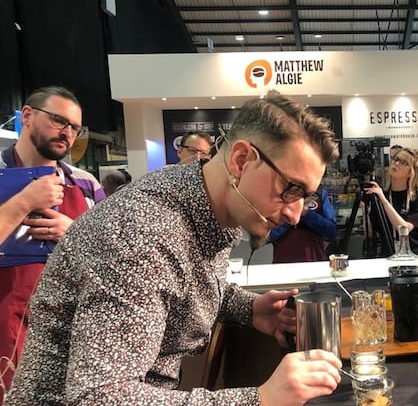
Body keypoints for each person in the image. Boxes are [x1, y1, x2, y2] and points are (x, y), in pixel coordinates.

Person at [6, 92, 343, 405]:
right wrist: (259, 399)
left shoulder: (205, 201)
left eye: (306, 196)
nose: (295, 213)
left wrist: (249, 309)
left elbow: (181, 283)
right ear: (242, 160)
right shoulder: (141, 234)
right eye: (291, 188)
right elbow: (99, 397)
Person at [0, 86, 105, 403]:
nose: (68, 133)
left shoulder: (86, 184)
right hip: (5, 328)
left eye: (74, 127)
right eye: (59, 121)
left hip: (70, 335)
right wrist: (23, 203)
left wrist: (75, 234)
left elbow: (113, 260)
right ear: (28, 116)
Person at [363, 147, 418, 256]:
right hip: (387, 255)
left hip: (412, 256)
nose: (396, 163)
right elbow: (370, 232)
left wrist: (383, 200)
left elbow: (404, 228)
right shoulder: (381, 194)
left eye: (403, 163)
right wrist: (364, 207)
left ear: (410, 172)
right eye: (395, 159)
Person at [269, 187, 337, 263]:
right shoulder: (278, 194)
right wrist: (292, 215)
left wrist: (307, 214)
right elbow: (269, 235)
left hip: (315, 264)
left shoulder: (319, 194)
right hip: (283, 265)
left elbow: (331, 230)